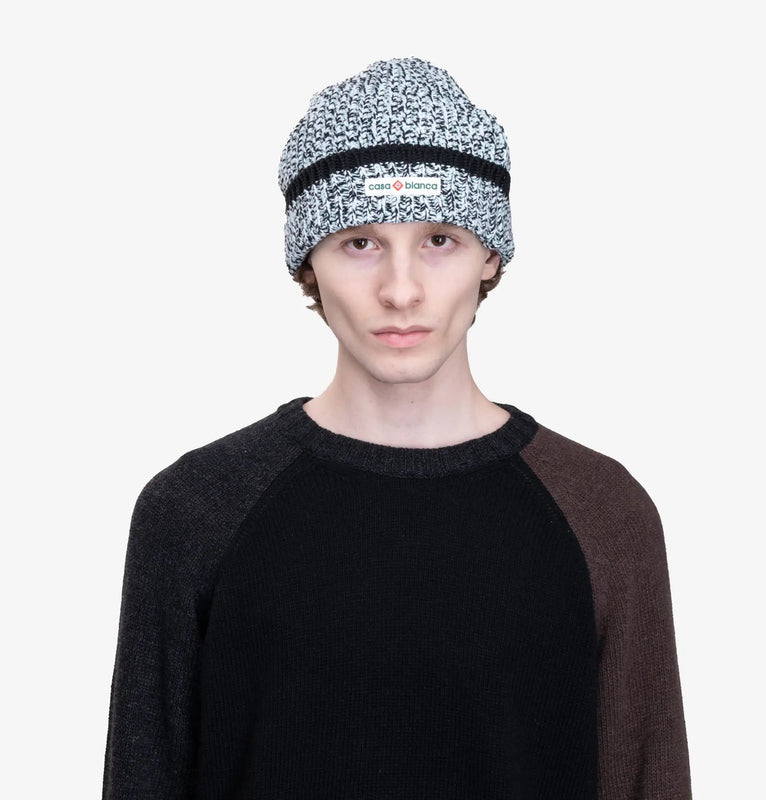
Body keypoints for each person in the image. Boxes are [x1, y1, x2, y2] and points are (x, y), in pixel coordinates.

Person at [102, 57, 692, 799]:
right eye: (360, 242)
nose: (401, 290)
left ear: (490, 254)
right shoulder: (196, 510)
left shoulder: (602, 513)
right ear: (308, 261)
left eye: (439, 239)